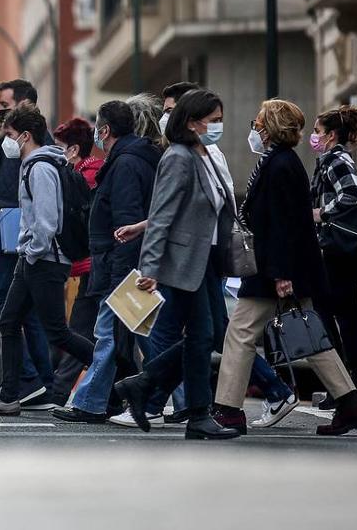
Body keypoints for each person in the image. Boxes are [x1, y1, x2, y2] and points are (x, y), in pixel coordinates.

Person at [211, 99, 357, 436]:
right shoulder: (279, 162)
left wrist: (282, 275)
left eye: (258, 123)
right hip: (282, 267)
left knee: (240, 333)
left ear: (270, 127)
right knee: (310, 336)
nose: (253, 129)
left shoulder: (281, 165)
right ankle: (351, 403)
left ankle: (228, 410)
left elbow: (286, 225)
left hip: (277, 269)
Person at [112, 89, 240, 440]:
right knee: (205, 335)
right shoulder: (178, 157)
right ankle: (193, 412)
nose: (219, 126)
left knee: (205, 336)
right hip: (182, 263)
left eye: (220, 120)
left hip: (204, 261)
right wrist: (150, 268)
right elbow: (162, 214)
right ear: (192, 121)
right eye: (213, 120)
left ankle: (146, 385)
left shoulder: (205, 156)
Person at [0, 105, 96, 416]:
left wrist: (33, 251)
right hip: (34, 258)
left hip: (45, 259)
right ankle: (9, 396)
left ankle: (113, 369)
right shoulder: (38, 164)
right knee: (9, 321)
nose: (7, 142)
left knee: (57, 332)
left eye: (11, 136)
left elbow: (46, 221)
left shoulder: (40, 167)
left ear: (26, 136)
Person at [53, 101, 160, 423]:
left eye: (98, 128)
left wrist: (117, 275)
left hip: (119, 265)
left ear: (105, 130)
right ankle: (178, 397)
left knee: (109, 334)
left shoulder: (125, 164)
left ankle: (89, 402)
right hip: (120, 263)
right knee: (145, 335)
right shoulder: (130, 159)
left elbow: (126, 225)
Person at [0, 80, 55, 409]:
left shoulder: (36, 142)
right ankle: (45, 383)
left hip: (20, 239)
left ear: (26, 104)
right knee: (29, 315)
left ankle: (28, 376)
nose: (1, 113)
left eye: (6, 105)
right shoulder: (11, 143)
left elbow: (29, 197)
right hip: (8, 233)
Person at [309, 104, 357, 407]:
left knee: (341, 316)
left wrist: (322, 213)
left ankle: (354, 384)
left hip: (338, 251)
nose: (313, 137)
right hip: (333, 250)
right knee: (338, 315)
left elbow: (353, 194)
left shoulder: (337, 159)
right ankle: (349, 385)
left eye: (317, 131)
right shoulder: (328, 159)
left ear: (331, 135)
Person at [45, 116, 103, 407]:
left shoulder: (86, 176)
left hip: (95, 265)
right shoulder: (86, 172)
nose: (56, 153)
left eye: (59, 148)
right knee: (100, 330)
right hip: (92, 265)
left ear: (74, 150)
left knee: (78, 329)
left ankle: (59, 390)